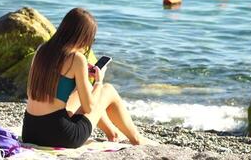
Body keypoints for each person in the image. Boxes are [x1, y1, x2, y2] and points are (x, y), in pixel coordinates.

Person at [22, 8, 156, 148]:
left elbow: (31, 91)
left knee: (83, 92)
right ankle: (136, 139)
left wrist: (80, 76)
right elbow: (88, 108)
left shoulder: (41, 50)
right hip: (60, 136)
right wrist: (99, 81)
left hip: (30, 131)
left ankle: (112, 134)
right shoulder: (76, 58)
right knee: (107, 90)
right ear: (83, 37)